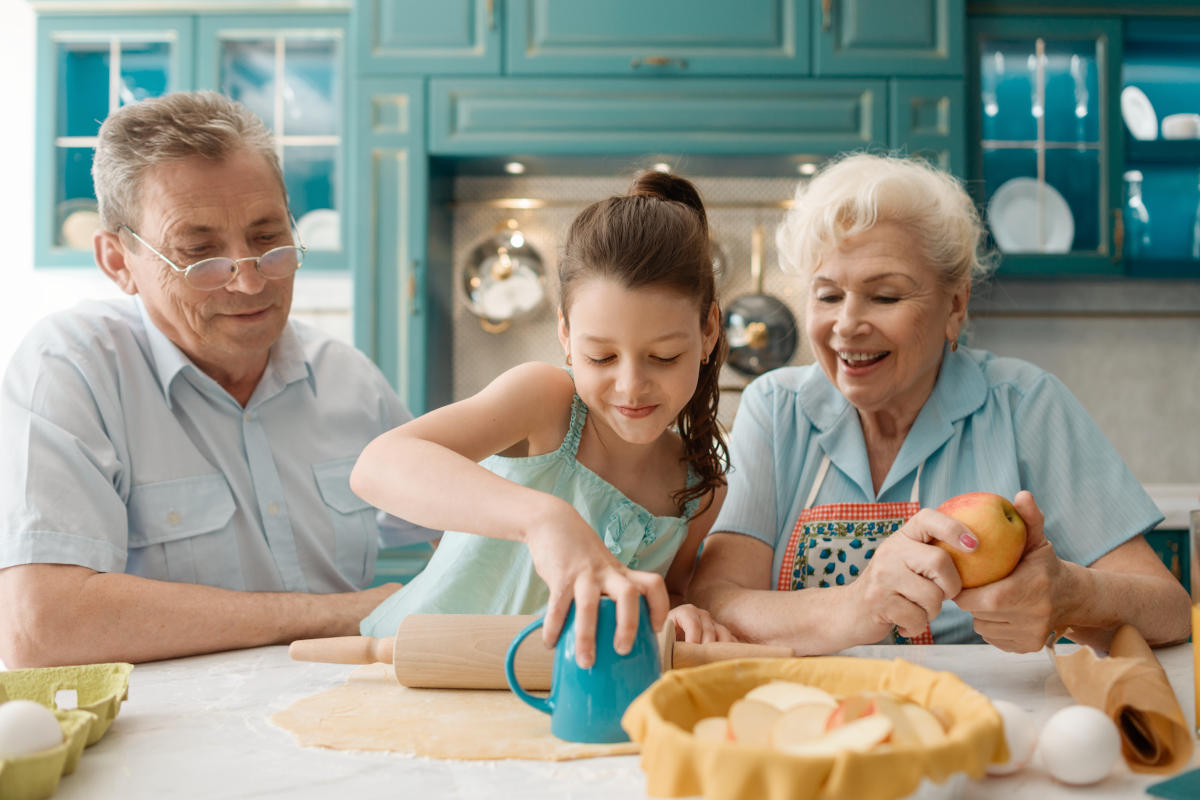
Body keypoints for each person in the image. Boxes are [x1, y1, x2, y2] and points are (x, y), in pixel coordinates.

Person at [0, 91, 436, 668]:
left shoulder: (347, 376)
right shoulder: (71, 368)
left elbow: (465, 534)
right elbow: (41, 628)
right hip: (166, 746)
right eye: (199, 252)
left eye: (268, 238)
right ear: (117, 262)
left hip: (345, 723)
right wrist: (343, 613)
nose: (251, 282)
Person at [688, 153, 1190, 654]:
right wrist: (859, 605)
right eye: (828, 296)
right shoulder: (775, 408)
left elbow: (1170, 610)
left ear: (955, 306)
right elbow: (717, 600)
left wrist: (1073, 595)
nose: (846, 324)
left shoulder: (1023, 405)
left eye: (884, 297)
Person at [350, 171, 731, 667]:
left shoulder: (699, 486)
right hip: (414, 668)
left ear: (708, 331)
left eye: (663, 357)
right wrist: (543, 519)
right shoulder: (546, 402)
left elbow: (667, 595)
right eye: (602, 358)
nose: (631, 385)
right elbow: (377, 465)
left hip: (541, 703)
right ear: (566, 335)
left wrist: (682, 616)